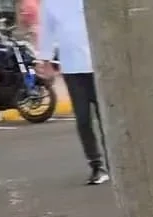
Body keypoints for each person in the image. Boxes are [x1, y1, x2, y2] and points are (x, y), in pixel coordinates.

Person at [35, 0, 108, 184]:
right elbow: (47, 31)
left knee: (106, 118)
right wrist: (45, 61)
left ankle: (115, 162)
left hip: (100, 66)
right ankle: (96, 165)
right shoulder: (51, 3)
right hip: (72, 68)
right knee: (83, 119)